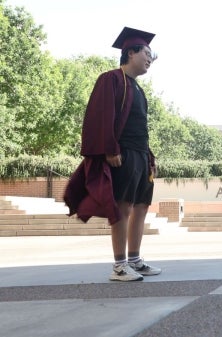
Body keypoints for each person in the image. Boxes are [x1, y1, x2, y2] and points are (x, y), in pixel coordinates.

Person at [64, 27, 161, 281]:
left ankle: (135, 260)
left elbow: (139, 126)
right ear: (130, 52)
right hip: (123, 154)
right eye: (147, 53)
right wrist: (110, 148)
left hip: (140, 155)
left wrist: (149, 158)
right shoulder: (112, 79)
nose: (150, 59)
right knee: (122, 207)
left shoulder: (137, 88)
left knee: (141, 206)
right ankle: (119, 266)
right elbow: (101, 115)